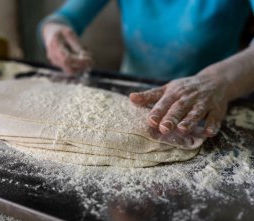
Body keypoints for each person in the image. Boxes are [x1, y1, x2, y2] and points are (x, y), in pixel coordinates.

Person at [39, 1, 254, 138]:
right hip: (131, 96)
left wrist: (218, 81)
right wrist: (54, 31)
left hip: (211, 101)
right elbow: (63, 17)